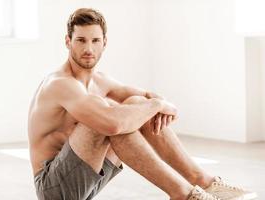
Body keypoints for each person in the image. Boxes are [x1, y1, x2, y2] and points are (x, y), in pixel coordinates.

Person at [28, 8, 257, 200]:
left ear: (104, 42)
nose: (88, 49)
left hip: (89, 179)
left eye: (95, 40)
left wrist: (158, 104)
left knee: (134, 104)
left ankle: (203, 182)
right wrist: (155, 106)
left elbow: (153, 100)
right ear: (68, 42)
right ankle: (184, 194)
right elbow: (113, 124)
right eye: (80, 40)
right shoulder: (60, 84)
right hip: (54, 188)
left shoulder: (101, 80)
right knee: (109, 118)